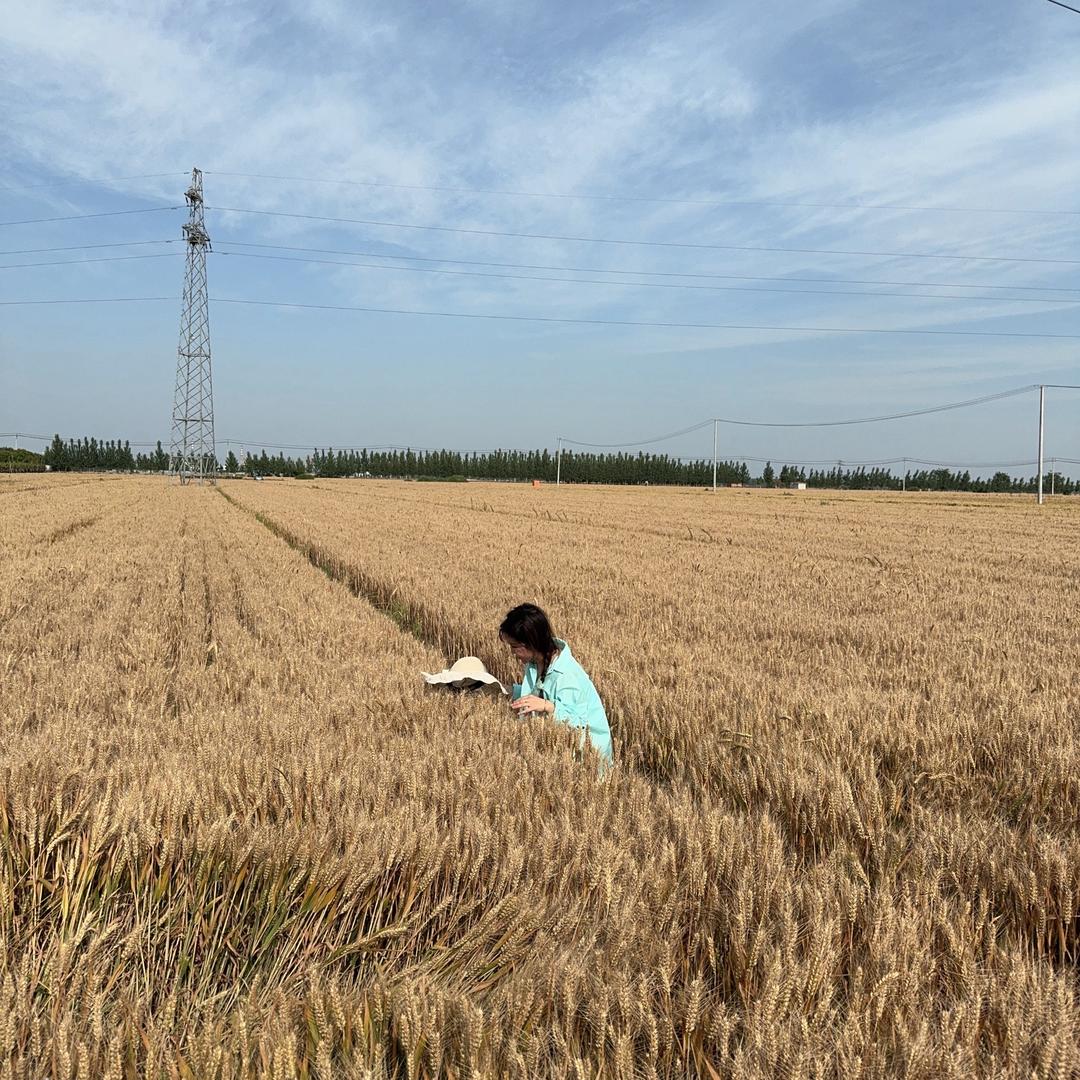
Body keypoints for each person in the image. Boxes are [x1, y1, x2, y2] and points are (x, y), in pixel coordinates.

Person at [500, 603, 614, 769]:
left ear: (531, 642)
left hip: (588, 760)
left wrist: (548, 706)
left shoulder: (568, 676)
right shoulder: (535, 662)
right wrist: (510, 690)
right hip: (560, 751)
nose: (512, 653)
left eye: (514, 647)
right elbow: (537, 694)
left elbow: (579, 725)